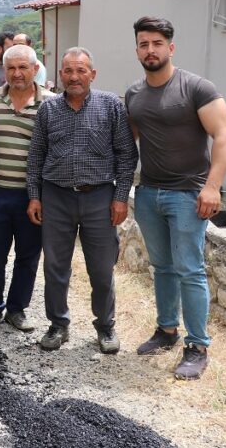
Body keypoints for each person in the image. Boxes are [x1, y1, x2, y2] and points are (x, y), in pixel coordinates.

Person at [126, 16, 226, 381]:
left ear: (170, 48)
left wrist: (213, 186)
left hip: (189, 194)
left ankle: (198, 345)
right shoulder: (134, 94)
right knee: (163, 268)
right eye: (143, 43)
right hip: (149, 193)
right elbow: (132, 143)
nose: (150, 50)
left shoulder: (197, 88)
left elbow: (223, 135)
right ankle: (166, 330)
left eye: (157, 43)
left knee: (189, 270)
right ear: (137, 48)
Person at [26, 47, 138, 354]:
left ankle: (105, 326)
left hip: (100, 198)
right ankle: (58, 324)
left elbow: (127, 155)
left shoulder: (111, 106)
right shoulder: (48, 110)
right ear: (60, 74)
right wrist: (34, 197)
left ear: (92, 74)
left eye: (81, 71)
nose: (74, 77)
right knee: (55, 266)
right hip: (56, 197)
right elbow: (36, 156)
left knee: (102, 269)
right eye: (68, 71)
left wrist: (119, 197)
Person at [0, 44, 52, 334]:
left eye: (23, 67)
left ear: (35, 69)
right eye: (11, 68)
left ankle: (17, 310)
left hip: (33, 197)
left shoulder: (51, 104)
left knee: (28, 255)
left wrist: (41, 196)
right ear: (3, 70)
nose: (17, 74)